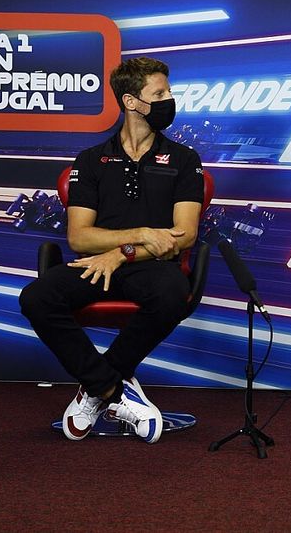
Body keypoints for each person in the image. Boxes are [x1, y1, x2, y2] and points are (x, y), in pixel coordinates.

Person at [20, 57, 204, 443]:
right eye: (160, 93)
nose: (170, 99)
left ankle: (95, 390)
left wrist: (122, 252)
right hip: (95, 264)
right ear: (131, 102)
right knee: (37, 297)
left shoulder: (185, 160)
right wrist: (140, 233)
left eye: (168, 92)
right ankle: (114, 391)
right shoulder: (90, 160)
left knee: (172, 295)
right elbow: (79, 239)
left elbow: (183, 235)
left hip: (151, 266)